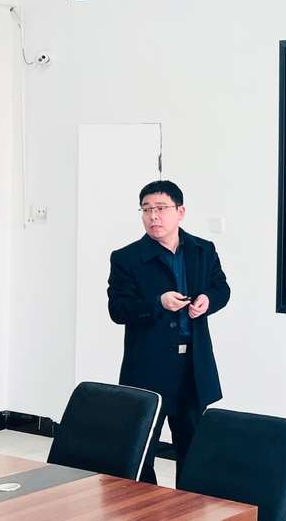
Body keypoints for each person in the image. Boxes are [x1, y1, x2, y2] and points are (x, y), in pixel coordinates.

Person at [107, 180, 230, 484]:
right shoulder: (126, 258)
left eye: (161, 208)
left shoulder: (202, 250)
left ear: (180, 212)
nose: (153, 216)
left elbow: (221, 288)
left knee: (193, 448)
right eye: (146, 209)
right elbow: (118, 309)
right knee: (140, 448)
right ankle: (144, 505)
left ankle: (188, 506)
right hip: (148, 365)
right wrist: (158, 303)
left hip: (192, 365)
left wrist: (208, 300)